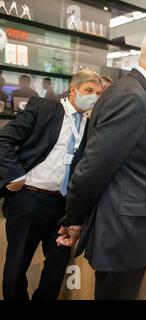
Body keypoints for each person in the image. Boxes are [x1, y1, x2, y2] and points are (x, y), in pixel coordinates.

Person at [56, 23, 146, 300]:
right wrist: (74, 219)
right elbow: (93, 168)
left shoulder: (143, 95)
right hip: (124, 233)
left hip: (130, 231)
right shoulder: (132, 96)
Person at [0, 69, 103, 300]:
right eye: (89, 91)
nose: (94, 97)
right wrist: (14, 175)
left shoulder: (93, 124)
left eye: (98, 93)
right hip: (28, 199)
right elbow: (4, 140)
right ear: (73, 90)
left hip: (64, 207)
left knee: (56, 268)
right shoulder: (43, 109)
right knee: (16, 268)